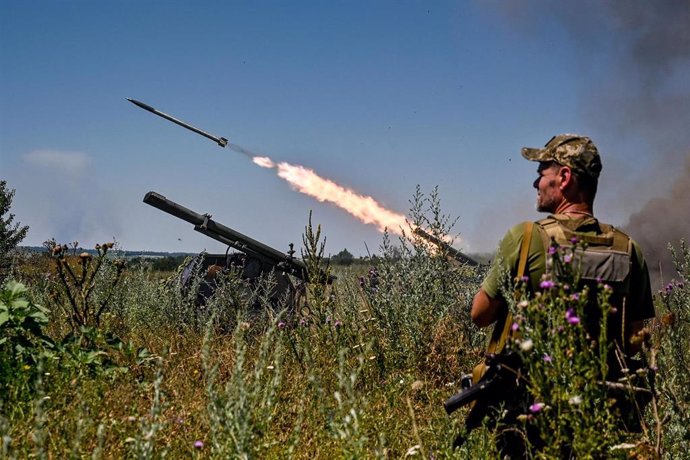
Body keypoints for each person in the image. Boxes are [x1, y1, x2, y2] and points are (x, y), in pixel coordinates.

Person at [470, 134, 655, 456]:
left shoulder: (526, 238)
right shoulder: (628, 249)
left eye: (542, 172)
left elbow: (480, 315)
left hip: (530, 408)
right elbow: (633, 337)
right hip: (602, 411)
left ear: (565, 177)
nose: (536, 183)